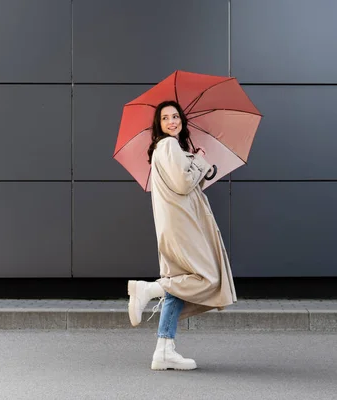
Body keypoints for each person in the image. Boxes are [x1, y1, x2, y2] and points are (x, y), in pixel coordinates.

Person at [127, 100, 237, 371]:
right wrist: (198, 160)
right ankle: (149, 289)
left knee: (180, 281)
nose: (172, 121)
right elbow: (183, 183)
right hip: (182, 225)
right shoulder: (168, 145)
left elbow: (183, 182)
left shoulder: (168, 149)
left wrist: (195, 162)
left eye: (176, 116)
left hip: (175, 223)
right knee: (207, 277)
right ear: (159, 125)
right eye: (165, 118)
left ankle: (164, 350)